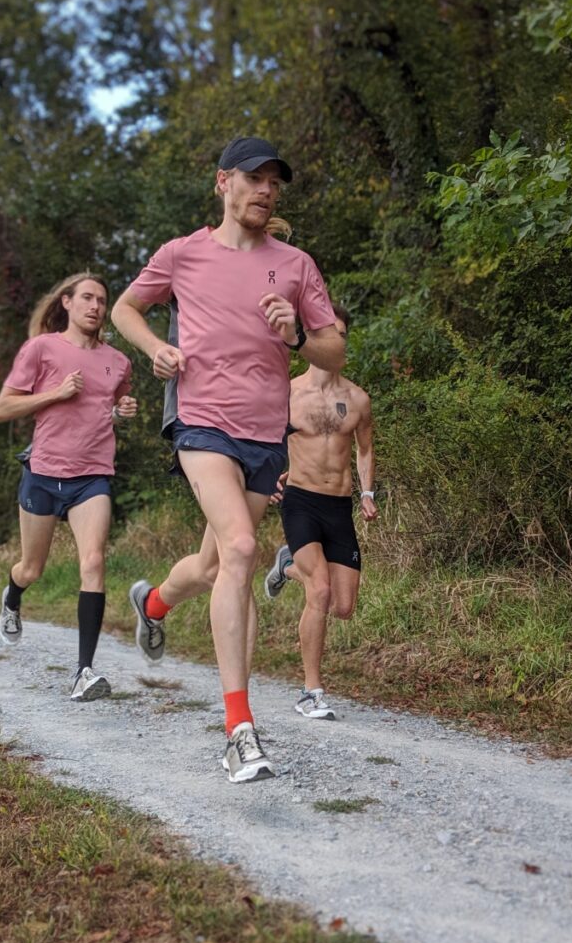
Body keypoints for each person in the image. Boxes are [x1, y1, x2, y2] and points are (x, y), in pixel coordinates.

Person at [111, 136, 345, 783]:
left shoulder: (295, 265)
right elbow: (125, 308)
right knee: (241, 548)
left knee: (216, 564)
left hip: (264, 434)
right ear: (223, 183)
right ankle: (239, 729)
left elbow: (333, 353)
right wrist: (156, 348)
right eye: (255, 177)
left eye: (276, 181)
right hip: (200, 422)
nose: (267, 190)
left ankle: (155, 603)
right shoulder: (182, 254)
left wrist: (294, 334)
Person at [0, 273, 137, 702]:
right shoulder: (42, 348)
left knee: (93, 562)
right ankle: (13, 593)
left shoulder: (118, 361)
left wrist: (122, 411)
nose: (95, 306)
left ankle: (83, 671)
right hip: (43, 473)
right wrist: (55, 393)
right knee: (31, 568)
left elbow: (110, 407)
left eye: (102, 301)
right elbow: (4, 408)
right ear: (68, 303)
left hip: (92, 476)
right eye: (87, 298)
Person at [264, 304, 377, 720]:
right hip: (301, 501)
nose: (337, 342)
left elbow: (365, 449)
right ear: (311, 340)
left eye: (343, 336)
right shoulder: (288, 393)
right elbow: (262, 438)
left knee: (343, 606)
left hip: (339, 506)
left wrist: (368, 493)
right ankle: (311, 691)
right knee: (322, 590)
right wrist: (269, 477)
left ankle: (287, 565)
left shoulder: (359, 399)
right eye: (330, 335)